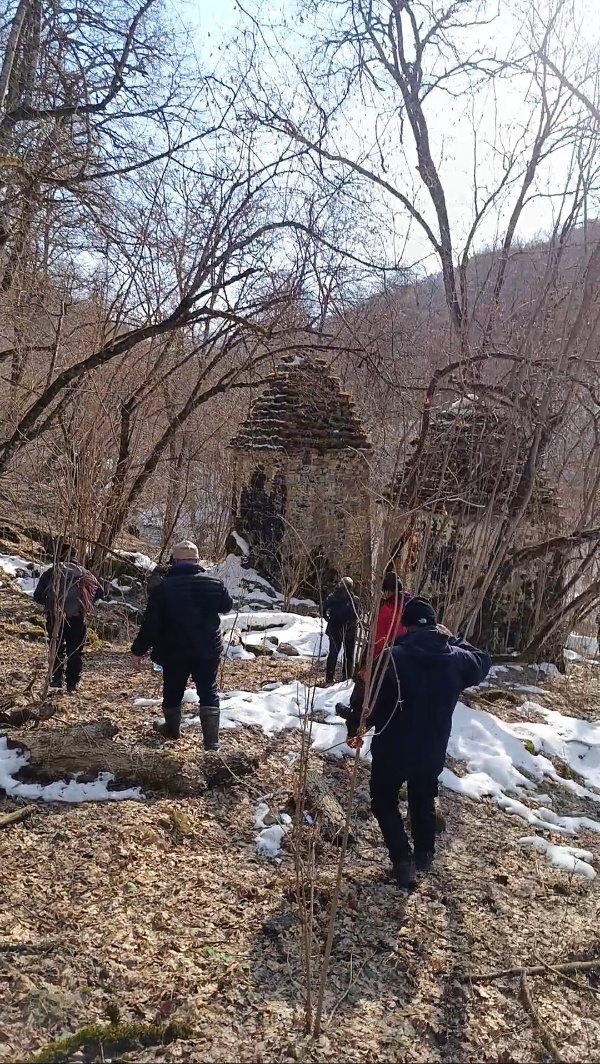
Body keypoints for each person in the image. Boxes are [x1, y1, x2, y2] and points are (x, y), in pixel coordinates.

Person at [345, 597, 491, 890]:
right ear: (436, 627)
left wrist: (355, 727)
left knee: (383, 800)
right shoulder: (457, 658)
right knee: (422, 796)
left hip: (392, 748)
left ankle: (402, 861)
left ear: (405, 627)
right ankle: (424, 853)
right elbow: (483, 661)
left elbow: (366, 699)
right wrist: (456, 639)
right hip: (431, 749)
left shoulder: (392, 657)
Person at [131, 541, 233, 748]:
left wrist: (138, 650)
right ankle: (212, 744)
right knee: (208, 691)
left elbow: (151, 623)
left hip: (174, 650)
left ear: (174, 561)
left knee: (173, 689)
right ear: (197, 561)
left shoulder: (164, 587)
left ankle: (172, 730)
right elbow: (226, 606)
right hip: (207, 649)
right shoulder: (214, 583)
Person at [336, 570, 412, 720]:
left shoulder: (389, 611)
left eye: (385, 591)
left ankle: (356, 715)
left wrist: (372, 658)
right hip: (401, 656)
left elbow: (380, 637)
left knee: (365, 682)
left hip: (384, 653)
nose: (384, 594)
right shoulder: (408, 607)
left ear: (390, 592)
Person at [33, 548, 102, 694]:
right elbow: (100, 592)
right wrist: (85, 604)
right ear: (75, 557)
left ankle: (56, 680)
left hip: (55, 617)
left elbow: (37, 596)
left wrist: (50, 604)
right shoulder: (84, 573)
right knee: (75, 651)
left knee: (56, 648)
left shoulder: (52, 572)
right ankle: (71, 685)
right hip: (77, 617)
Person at [323, 577, 360, 684]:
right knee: (347, 655)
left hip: (338, 628)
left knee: (335, 654)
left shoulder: (335, 597)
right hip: (346, 630)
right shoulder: (353, 599)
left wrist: (327, 618)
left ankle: (331, 679)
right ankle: (346, 679)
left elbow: (323, 609)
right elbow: (358, 615)